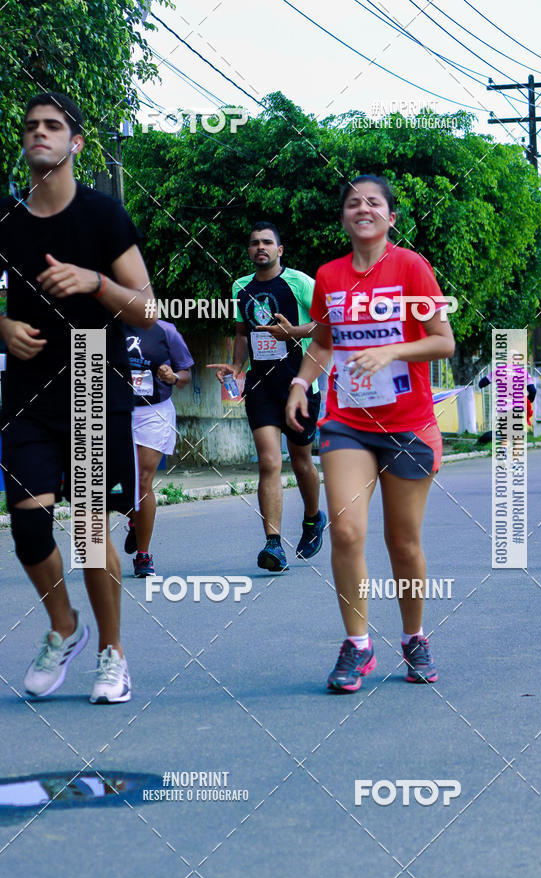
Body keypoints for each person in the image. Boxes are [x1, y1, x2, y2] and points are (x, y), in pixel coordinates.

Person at [0, 91, 156, 703]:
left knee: (92, 531)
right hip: (27, 388)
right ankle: (64, 625)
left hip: (93, 376)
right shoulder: (7, 222)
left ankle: (112, 653)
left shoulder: (103, 217)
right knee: (28, 525)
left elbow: (147, 310)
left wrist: (95, 281)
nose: (40, 133)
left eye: (53, 126)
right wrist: (1, 328)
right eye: (31, 126)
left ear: (76, 143)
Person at [286, 174, 455, 692]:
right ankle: (357, 646)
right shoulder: (329, 276)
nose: (363, 209)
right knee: (347, 530)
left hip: (407, 425)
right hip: (348, 423)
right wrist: (300, 382)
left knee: (402, 542)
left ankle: (414, 636)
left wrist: (392, 350)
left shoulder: (411, 267)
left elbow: (443, 341)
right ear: (343, 217)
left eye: (374, 202)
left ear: (391, 217)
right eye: (353, 203)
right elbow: (325, 342)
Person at [208, 221, 326, 572]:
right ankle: (273, 544)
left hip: (300, 385)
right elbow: (242, 332)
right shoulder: (240, 287)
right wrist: (236, 366)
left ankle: (311, 519)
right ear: (249, 250)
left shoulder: (301, 283)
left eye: (267, 242)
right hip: (260, 387)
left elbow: (329, 324)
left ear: (279, 250)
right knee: (269, 463)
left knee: (301, 460)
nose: (260, 247)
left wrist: (293, 332)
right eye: (254, 242)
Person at [122, 319, 194, 576]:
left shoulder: (166, 331)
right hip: (115, 410)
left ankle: (143, 555)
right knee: (114, 479)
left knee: (143, 482)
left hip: (154, 412)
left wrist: (173, 377)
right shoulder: (107, 326)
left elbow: (186, 375)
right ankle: (135, 518)